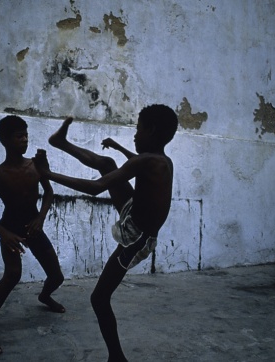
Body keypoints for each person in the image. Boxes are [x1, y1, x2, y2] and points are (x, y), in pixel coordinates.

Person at [33, 104, 178, 362]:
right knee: (108, 162)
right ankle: (60, 142)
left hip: (137, 238)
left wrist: (48, 174)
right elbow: (136, 160)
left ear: (151, 129)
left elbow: (96, 188)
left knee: (99, 298)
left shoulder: (146, 161)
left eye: (137, 128)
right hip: (134, 211)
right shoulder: (162, 160)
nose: (134, 134)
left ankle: (117, 357)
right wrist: (119, 148)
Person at [0, 115, 65, 355]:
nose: (24, 140)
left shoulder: (35, 166)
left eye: (26, 135)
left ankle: (44, 296)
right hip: (11, 229)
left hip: (33, 227)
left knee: (56, 276)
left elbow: (49, 193)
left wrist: (40, 218)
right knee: (12, 275)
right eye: (18, 136)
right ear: (4, 140)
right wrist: (3, 233)